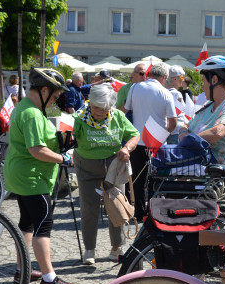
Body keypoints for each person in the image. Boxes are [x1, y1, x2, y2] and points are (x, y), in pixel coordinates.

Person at [3, 67, 76, 284]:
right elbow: (36, 149)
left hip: (21, 174)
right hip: (32, 177)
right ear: (44, 90)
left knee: (27, 222)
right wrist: (63, 158)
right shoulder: (33, 113)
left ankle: (21, 269)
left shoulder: (25, 107)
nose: (56, 99)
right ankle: (49, 278)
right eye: (55, 94)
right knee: (43, 224)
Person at [73, 85, 139, 264]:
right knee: (89, 208)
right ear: (90, 104)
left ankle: (117, 247)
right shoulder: (79, 118)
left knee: (116, 207)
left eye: (105, 109)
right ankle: (89, 249)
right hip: (87, 167)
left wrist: (127, 148)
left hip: (114, 168)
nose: (100, 112)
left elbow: (135, 135)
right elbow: (69, 136)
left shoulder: (117, 116)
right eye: (96, 108)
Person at [124, 62, 177, 220]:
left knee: (137, 179)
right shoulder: (165, 93)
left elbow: (128, 110)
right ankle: (154, 213)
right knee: (157, 179)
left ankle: (139, 213)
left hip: (137, 140)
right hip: (157, 143)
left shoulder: (134, 87)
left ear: (150, 74)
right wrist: (164, 134)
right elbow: (173, 122)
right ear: (164, 77)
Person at [189, 56, 225, 166]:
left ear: (214, 80)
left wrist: (188, 141)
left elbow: (218, 132)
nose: (202, 87)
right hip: (200, 168)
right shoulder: (209, 104)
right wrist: (184, 133)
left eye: (204, 82)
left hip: (220, 171)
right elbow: (187, 125)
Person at [165, 65, 191, 130]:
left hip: (167, 128)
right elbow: (176, 115)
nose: (183, 80)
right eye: (182, 77)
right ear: (175, 79)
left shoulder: (163, 92)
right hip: (177, 129)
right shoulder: (176, 94)